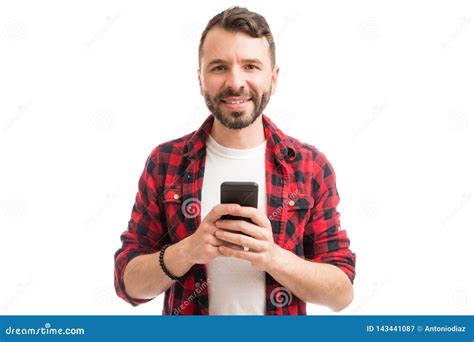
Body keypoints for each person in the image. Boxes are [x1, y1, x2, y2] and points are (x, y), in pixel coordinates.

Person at [114, 6, 356, 315]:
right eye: (219, 67)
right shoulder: (166, 162)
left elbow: (341, 293)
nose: (235, 81)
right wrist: (188, 251)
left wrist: (272, 256)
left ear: (273, 78)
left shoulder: (309, 166)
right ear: (201, 79)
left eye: (251, 66)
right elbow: (127, 284)